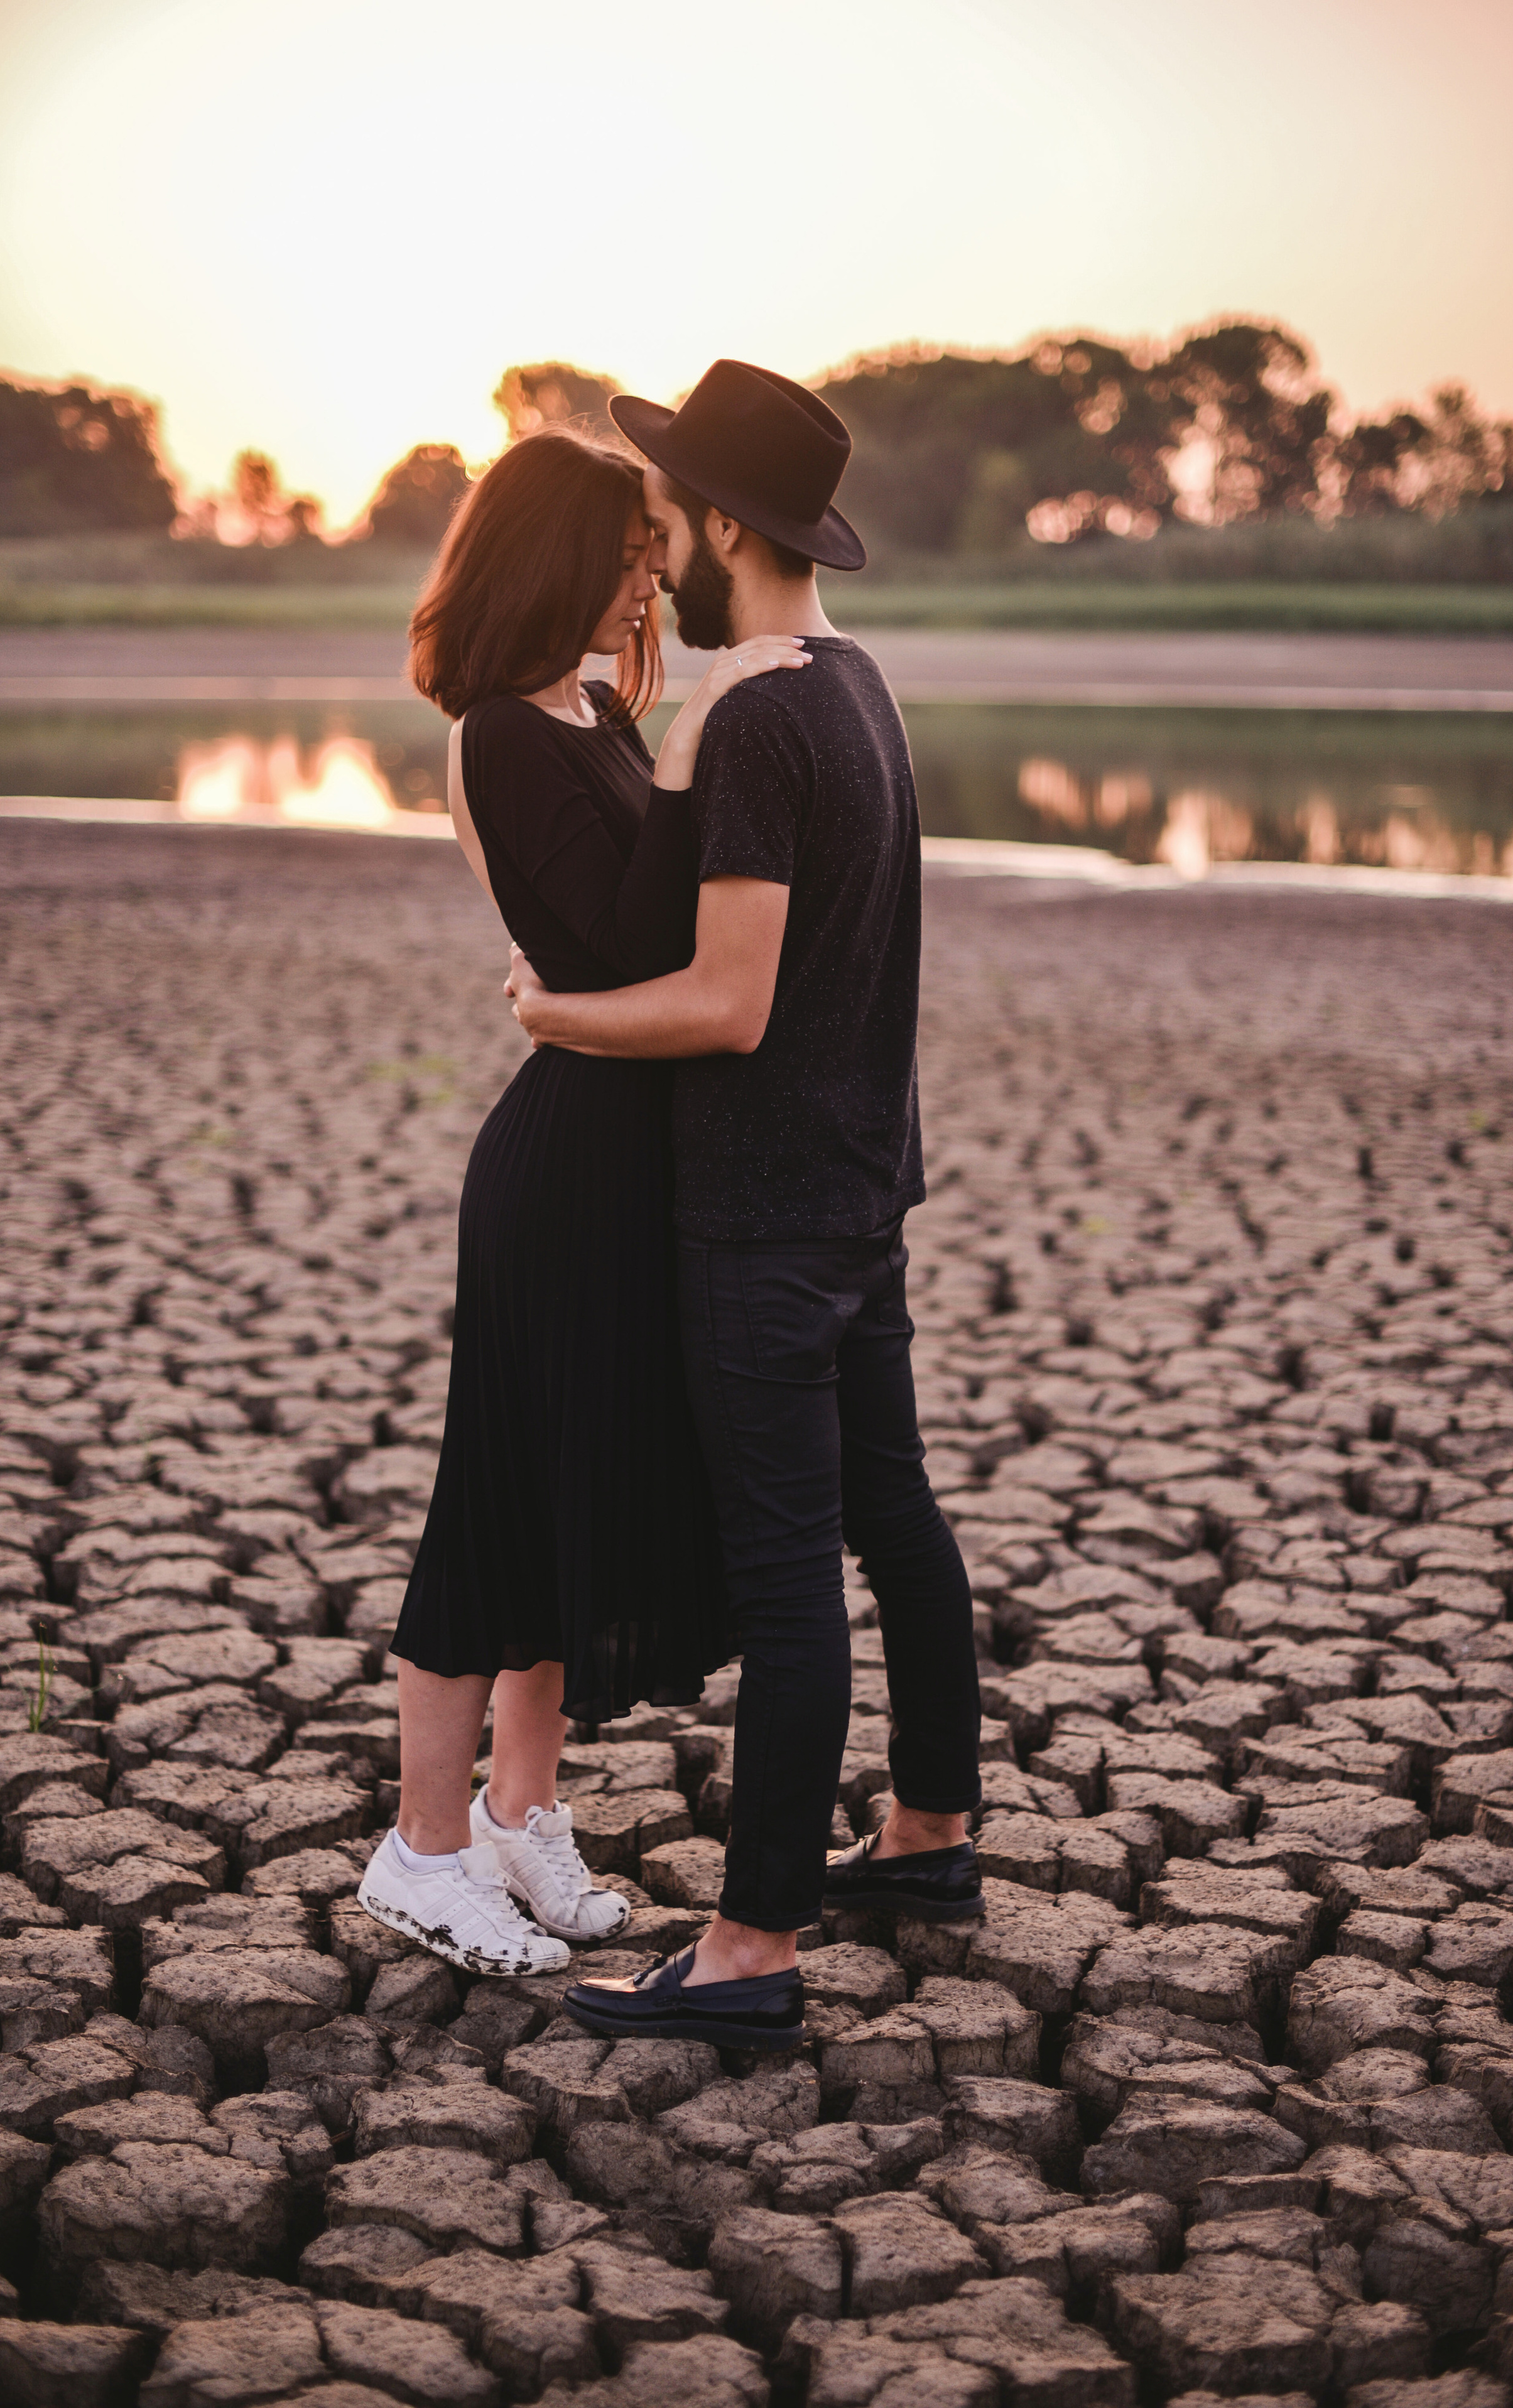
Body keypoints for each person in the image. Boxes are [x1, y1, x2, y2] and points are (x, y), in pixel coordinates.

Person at [506, 361, 984, 2051]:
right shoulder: (857, 687)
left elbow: (727, 1002)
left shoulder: (762, 716)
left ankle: (751, 1945)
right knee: (894, 1518)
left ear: (723, 527)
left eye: (663, 516)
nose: (651, 548)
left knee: (790, 1578)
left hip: (768, 1217)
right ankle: (928, 1831)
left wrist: (555, 1015)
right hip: (859, 1193)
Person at [356, 426, 806, 1977]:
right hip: (558, 1179)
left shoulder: (594, 712)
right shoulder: (503, 731)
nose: (648, 582)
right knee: (493, 1506)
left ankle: (520, 1815)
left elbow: (662, 923)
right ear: (555, 560)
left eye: (649, 554)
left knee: (570, 1508)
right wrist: (695, 741)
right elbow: (620, 943)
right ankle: (420, 1855)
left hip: (633, 1164)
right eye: (622, 558)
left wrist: (668, 740)